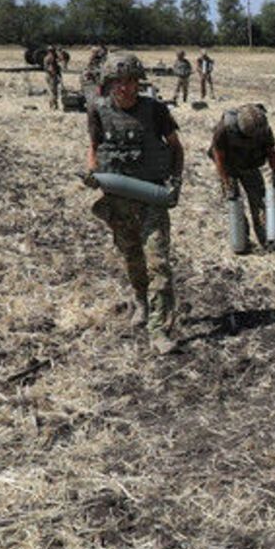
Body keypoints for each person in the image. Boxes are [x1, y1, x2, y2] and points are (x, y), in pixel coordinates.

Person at [84, 54, 185, 355]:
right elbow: (93, 146)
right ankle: (140, 299)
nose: (126, 88)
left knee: (159, 265)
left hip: (152, 197)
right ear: (108, 84)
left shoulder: (155, 111)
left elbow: (177, 148)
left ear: (139, 82)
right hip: (118, 200)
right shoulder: (97, 111)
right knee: (132, 258)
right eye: (119, 82)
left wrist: (176, 182)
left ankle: (160, 329)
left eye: (131, 81)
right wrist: (93, 173)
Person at [209, 103, 275, 251]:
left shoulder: (263, 129)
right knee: (234, 202)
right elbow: (219, 156)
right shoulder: (224, 129)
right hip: (228, 166)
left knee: (259, 201)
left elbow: (271, 151)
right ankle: (242, 241)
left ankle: (266, 239)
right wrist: (226, 181)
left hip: (250, 165)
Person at [43, 45, 63, 110]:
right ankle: (54, 105)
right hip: (51, 76)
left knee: (52, 91)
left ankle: (52, 105)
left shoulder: (47, 58)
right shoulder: (51, 58)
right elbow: (51, 68)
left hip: (49, 75)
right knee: (54, 91)